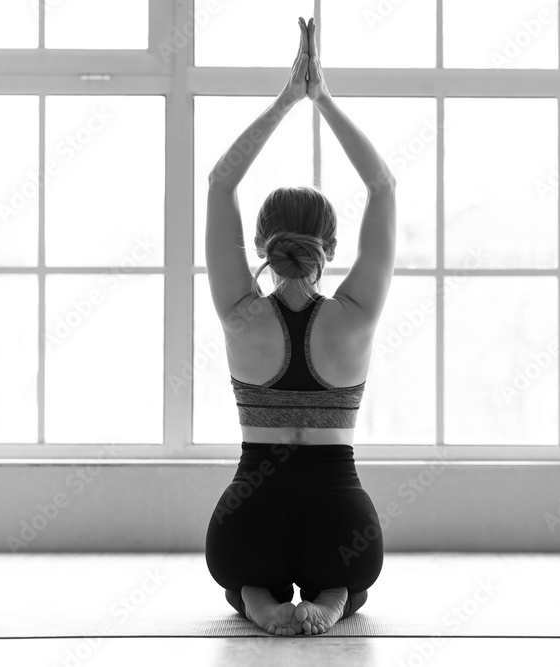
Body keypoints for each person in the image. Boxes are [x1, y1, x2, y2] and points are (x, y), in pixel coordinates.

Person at [202, 17, 397, 637]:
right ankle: (334, 599)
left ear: (263, 243)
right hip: (341, 530)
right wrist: (323, 99)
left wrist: (287, 99)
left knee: (244, 574)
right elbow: (383, 185)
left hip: (247, 526)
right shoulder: (354, 316)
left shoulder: (241, 313)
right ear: (329, 247)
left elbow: (220, 182)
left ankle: (260, 603)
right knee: (348, 572)